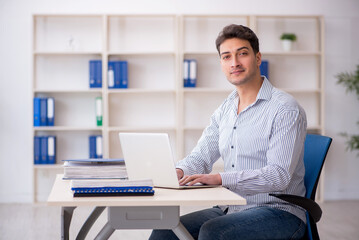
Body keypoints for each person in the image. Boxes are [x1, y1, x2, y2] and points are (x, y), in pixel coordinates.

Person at [149, 24, 307, 240]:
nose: (234, 63)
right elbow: (202, 155)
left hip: (279, 212)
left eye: (242, 54)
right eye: (226, 57)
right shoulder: (226, 108)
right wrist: (179, 171)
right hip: (230, 207)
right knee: (166, 231)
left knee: (214, 233)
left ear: (258, 58)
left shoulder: (285, 108)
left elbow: (278, 176)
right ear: (221, 63)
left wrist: (220, 178)